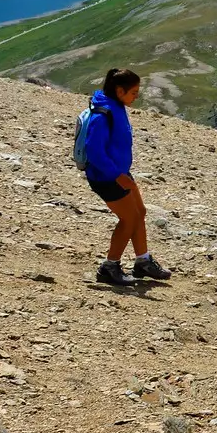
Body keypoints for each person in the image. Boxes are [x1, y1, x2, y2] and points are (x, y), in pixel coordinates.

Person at [81, 68, 170, 286]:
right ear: (120, 91)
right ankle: (109, 267)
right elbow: (94, 151)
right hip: (106, 177)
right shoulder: (103, 114)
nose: (136, 97)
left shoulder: (116, 106)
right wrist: (116, 175)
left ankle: (143, 261)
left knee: (139, 212)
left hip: (118, 172)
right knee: (129, 218)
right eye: (134, 92)